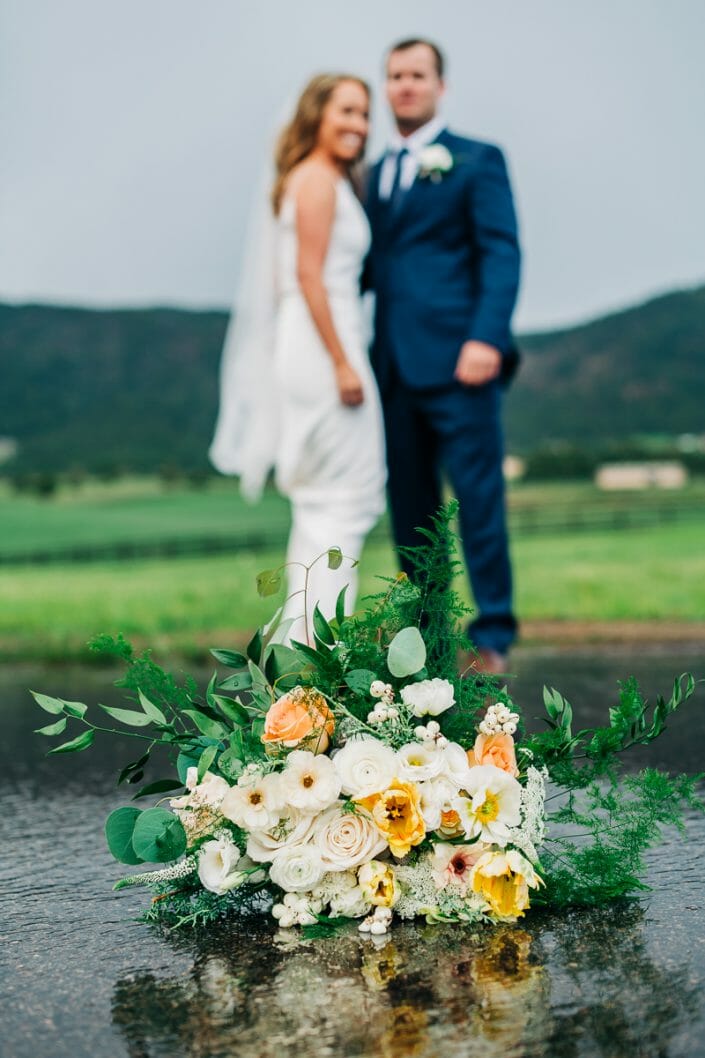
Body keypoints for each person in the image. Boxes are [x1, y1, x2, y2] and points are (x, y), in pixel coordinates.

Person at [210, 75, 386, 645]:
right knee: (349, 496)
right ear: (316, 115)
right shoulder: (316, 180)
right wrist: (342, 362)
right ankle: (320, 653)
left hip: (317, 339)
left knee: (322, 502)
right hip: (322, 344)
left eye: (364, 114)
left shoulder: (321, 177)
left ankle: (301, 655)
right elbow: (309, 276)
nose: (358, 125)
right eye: (347, 112)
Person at [365, 39, 521, 674]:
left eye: (417, 75)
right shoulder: (373, 173)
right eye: (395, 76)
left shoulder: (476, 160)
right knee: (411, 509)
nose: (405, 85)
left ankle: (493, 637)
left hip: (463, 362)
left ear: (440, 85)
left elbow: (501, 252)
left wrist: (486, 337)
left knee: (478, 501)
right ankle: (428, 640)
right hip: (393, 369)